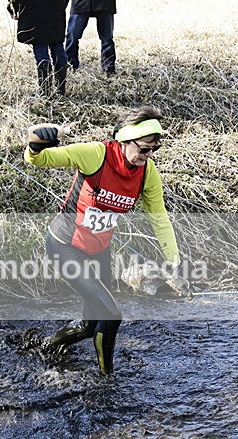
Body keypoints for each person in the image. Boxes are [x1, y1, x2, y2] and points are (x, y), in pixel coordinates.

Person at [24, 106, 180, 374]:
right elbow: (37, 160)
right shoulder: (96, 154)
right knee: (112, 315)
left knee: (90, 322)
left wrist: (173, 259)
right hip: (65, 246)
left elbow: (159, 218)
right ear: (125, 140)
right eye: (144, 148)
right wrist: (36, 143)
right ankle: (107, 378)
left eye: (155, 149)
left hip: (99, 252)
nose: (149, 155)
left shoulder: (147, 172)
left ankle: (46, 347)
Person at [7, 0, 69, 96]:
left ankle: (45, 93)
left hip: (33, 12)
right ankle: (60, 91)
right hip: (55, 11)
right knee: (57, 47)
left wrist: (14, 9)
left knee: (41, 49)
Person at [64, 0, 117, 75]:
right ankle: (70, 65)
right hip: (80, 4)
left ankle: (109, 68)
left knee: (107, 39)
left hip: (105, 4)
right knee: (72, 36)